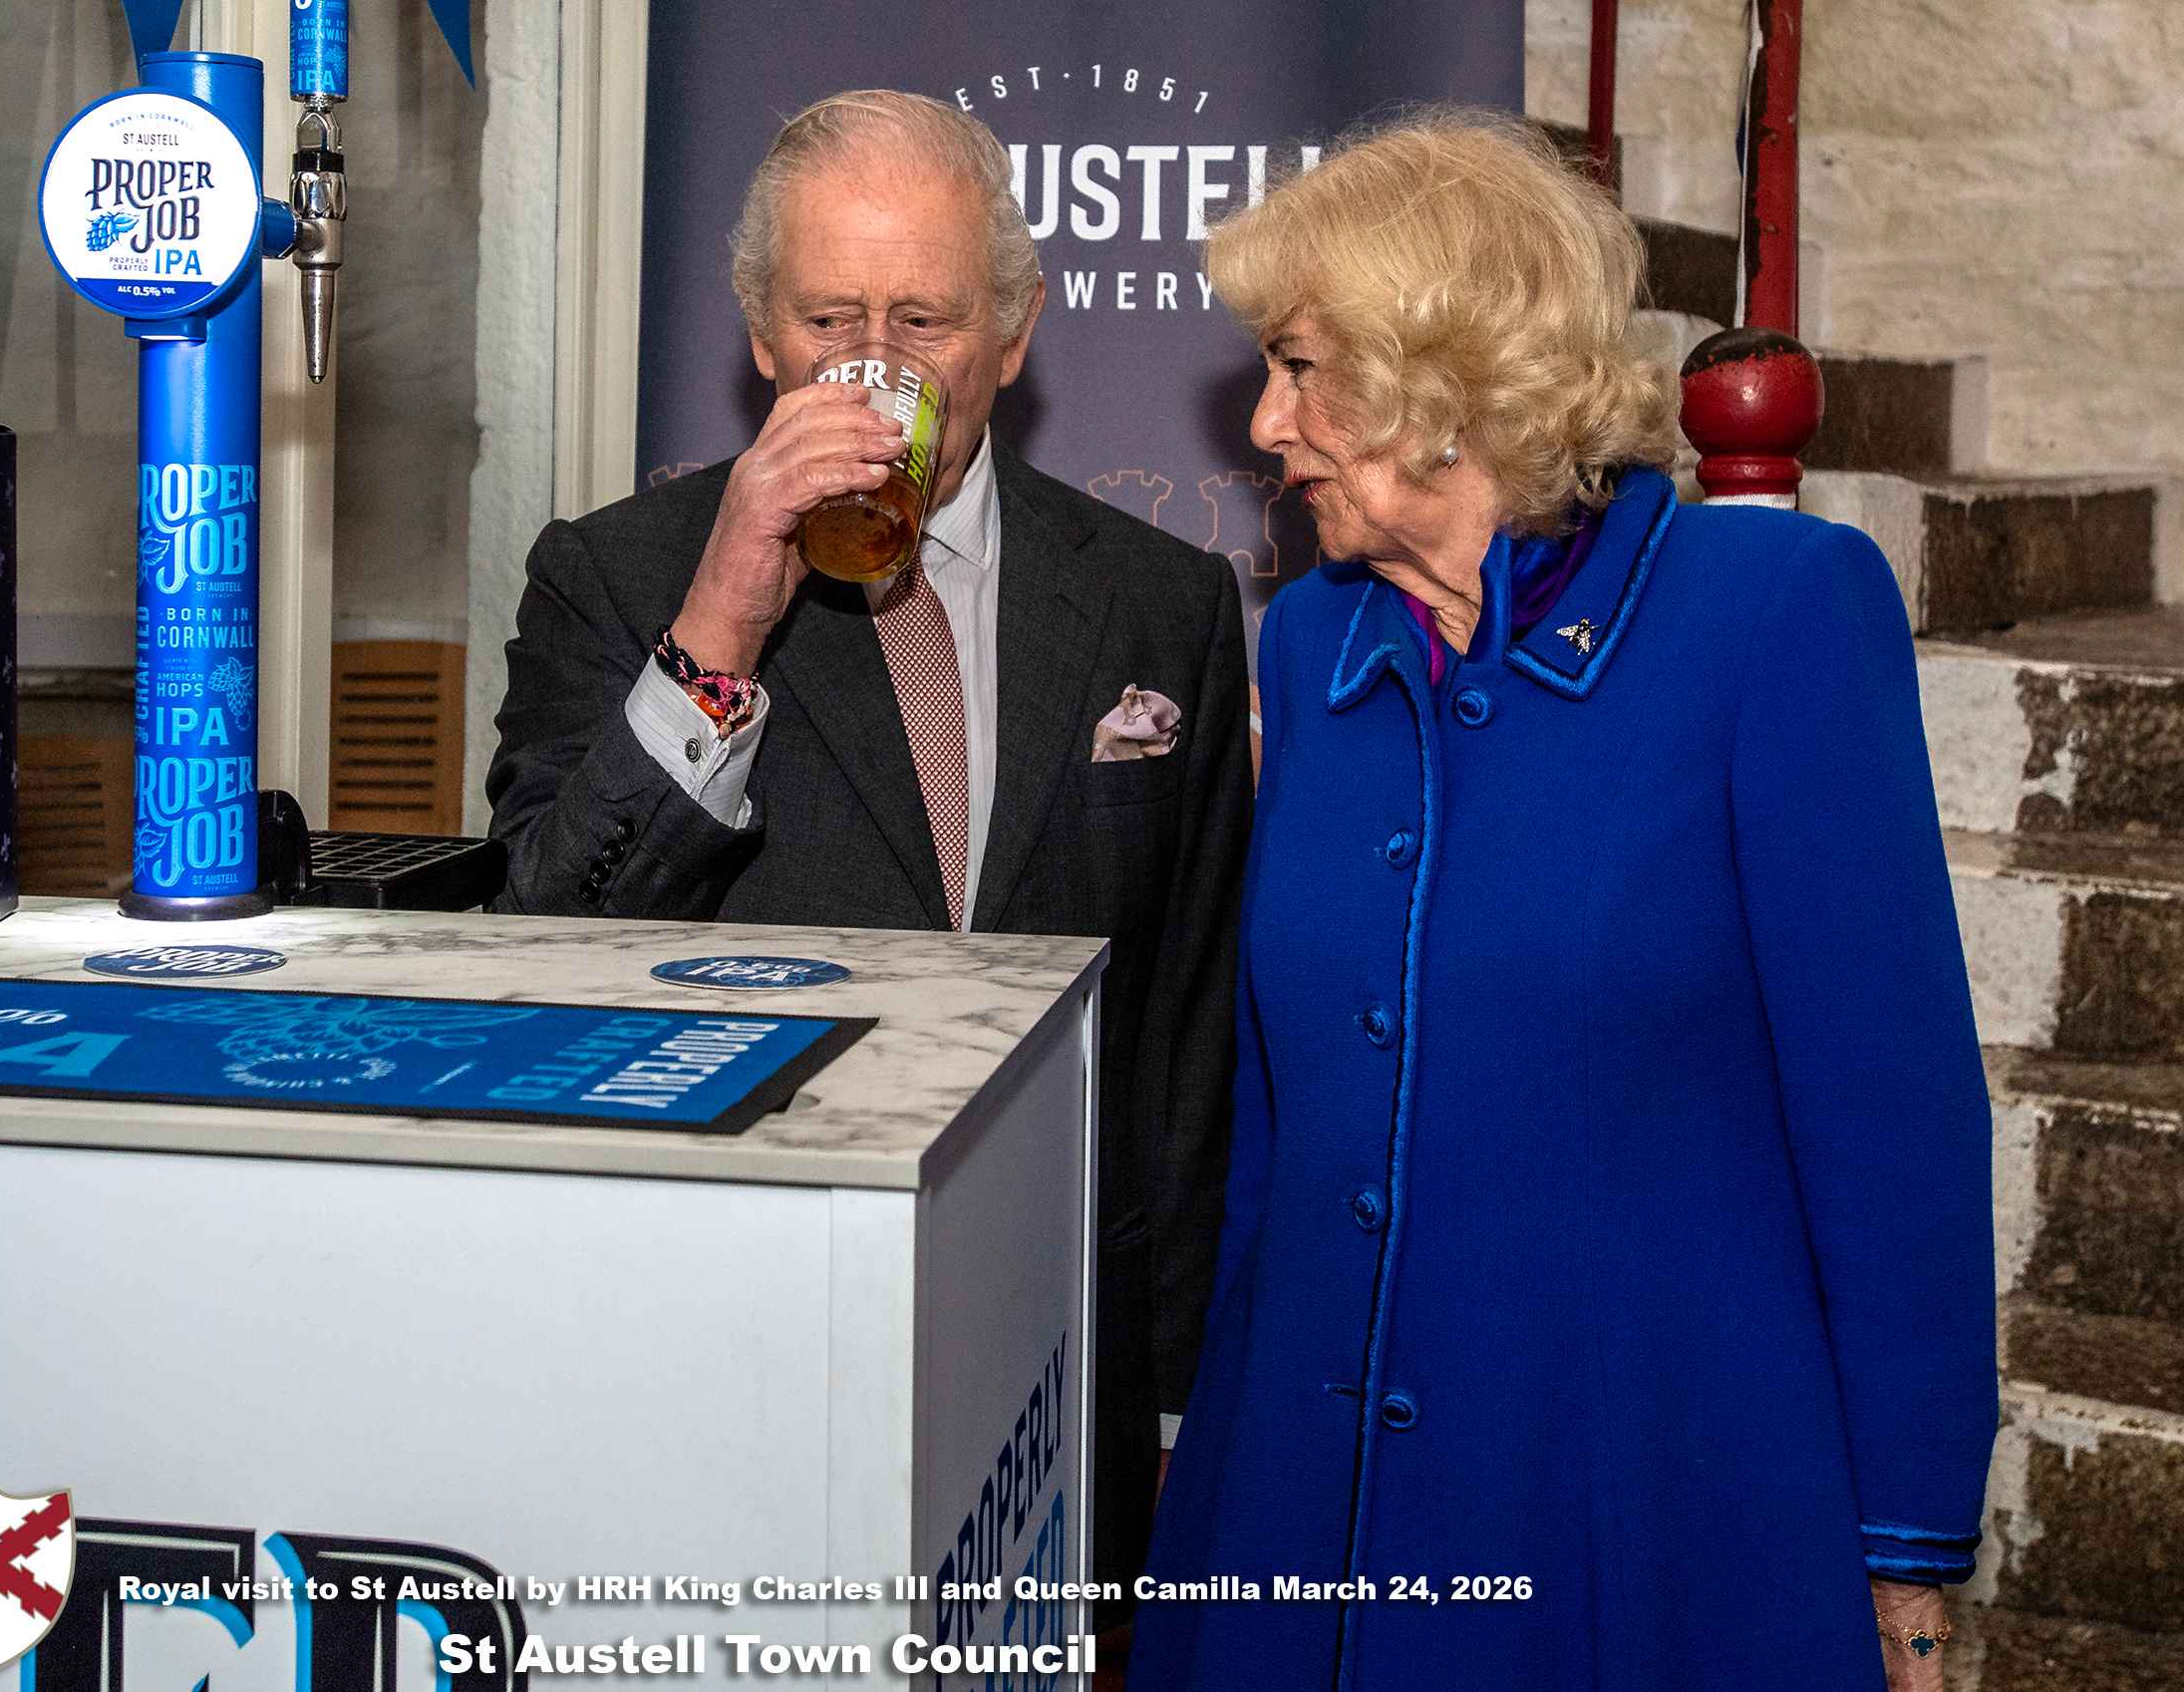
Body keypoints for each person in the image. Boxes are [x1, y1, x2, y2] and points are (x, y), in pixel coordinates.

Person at [1129, 114, 1996, 1692]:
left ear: (1443, 381)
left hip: (1643, 1517)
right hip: (1295, 1521)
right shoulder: (1311, 647)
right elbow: (1279, 1118)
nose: (1266, 421)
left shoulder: (1775, 622)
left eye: (1305, 367)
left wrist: (1908, 1560)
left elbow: (1896, 1133)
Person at [485, 90, 1253, 1601]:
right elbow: (546, 944)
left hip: (1055, 1370)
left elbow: (1189, 1039)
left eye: (926, 317)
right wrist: (721, 621)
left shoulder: (1162, 603)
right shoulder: (614, 576)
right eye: (831, 314)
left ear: (1017, 333)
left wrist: (1173, 1397)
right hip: (731, 1350)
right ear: (761, 335)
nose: (876, 365)